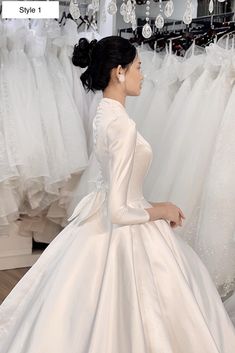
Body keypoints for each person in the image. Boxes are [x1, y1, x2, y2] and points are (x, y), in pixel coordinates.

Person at [0, 36, 235, 353]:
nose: (143, 74)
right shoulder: (122, 126)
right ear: (119, 72)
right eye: (138, 67)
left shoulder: (103, 115)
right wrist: (161, 209)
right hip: (123, 228)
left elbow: (114, 188)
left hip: (95, 223)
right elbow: (120, 212)